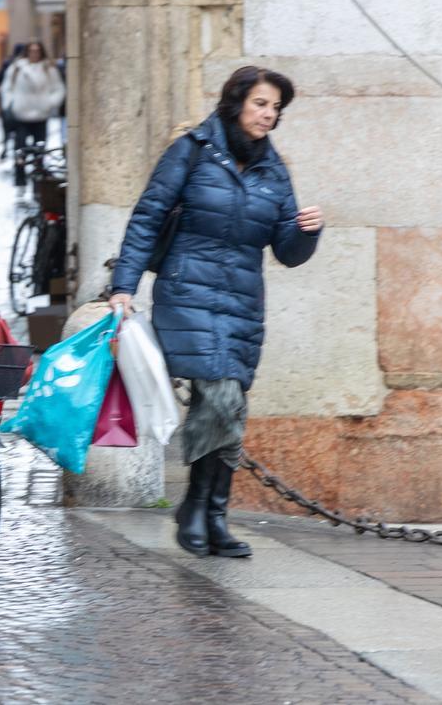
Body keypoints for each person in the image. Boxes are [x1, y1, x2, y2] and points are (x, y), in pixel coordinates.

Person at [107, 65, 324, 559]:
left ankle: (205, 514)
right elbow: (148, 217)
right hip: (188, 293)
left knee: (229, 405)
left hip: (243, 303)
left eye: (276, 108)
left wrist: (308, 230)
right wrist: (124, 285)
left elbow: (287, 251)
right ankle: (206, 509)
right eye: (261, 104)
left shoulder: (274, 169)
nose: (269, 115)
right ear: (236, 103)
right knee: (221, 393)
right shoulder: (192, 151)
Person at [0, 41, 64, 185]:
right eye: (31, 51)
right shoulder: (17, 68)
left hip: (41, 114)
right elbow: (6, 88)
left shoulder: (48, 68)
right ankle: (20, 178)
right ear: (27, 52)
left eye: (37, 51)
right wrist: (11, 104)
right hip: (21, 114)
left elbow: (58, 88)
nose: (34, 54)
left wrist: (50, 103)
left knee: (40, 150)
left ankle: (38, 181)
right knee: (20, 148)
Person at [0, 42, 26, 160]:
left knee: (7, 129)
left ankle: (6, 148)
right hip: (15, 103)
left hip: (9, 104)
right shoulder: (15, 64)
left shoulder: (7, 63)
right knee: (19, 131)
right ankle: (17, 151)